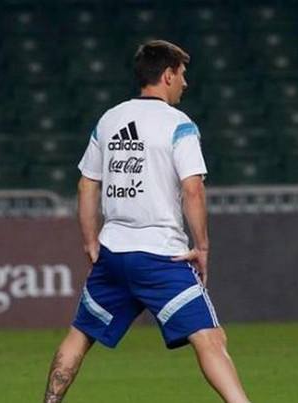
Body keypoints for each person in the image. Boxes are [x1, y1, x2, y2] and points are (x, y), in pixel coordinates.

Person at [42, 40, 250, 403]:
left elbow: (86, 184)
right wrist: (201, 246)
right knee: (210, 338)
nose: (185, 83)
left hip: (113, 253)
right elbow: (193, 189)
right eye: (182, 74)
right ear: (168, 75)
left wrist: (90, 241)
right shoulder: (178, 124)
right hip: (160, 256)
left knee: (80, 334)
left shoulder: (110, 119)